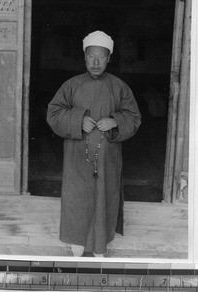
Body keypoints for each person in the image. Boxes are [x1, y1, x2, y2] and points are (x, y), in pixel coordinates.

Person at [47, 30, 141, 257]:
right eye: (91, 56)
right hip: (77, 156)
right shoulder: (71, 85)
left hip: (107, 158)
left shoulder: (119, 87)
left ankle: (100, 245)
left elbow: (134, 117)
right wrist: (78, 120)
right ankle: (77, 242)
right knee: (77, 197)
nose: (96, 62)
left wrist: (114, 120)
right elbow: (54, 113)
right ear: (85, 57)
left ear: (109, 58)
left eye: (101, 56)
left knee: (103, 198)